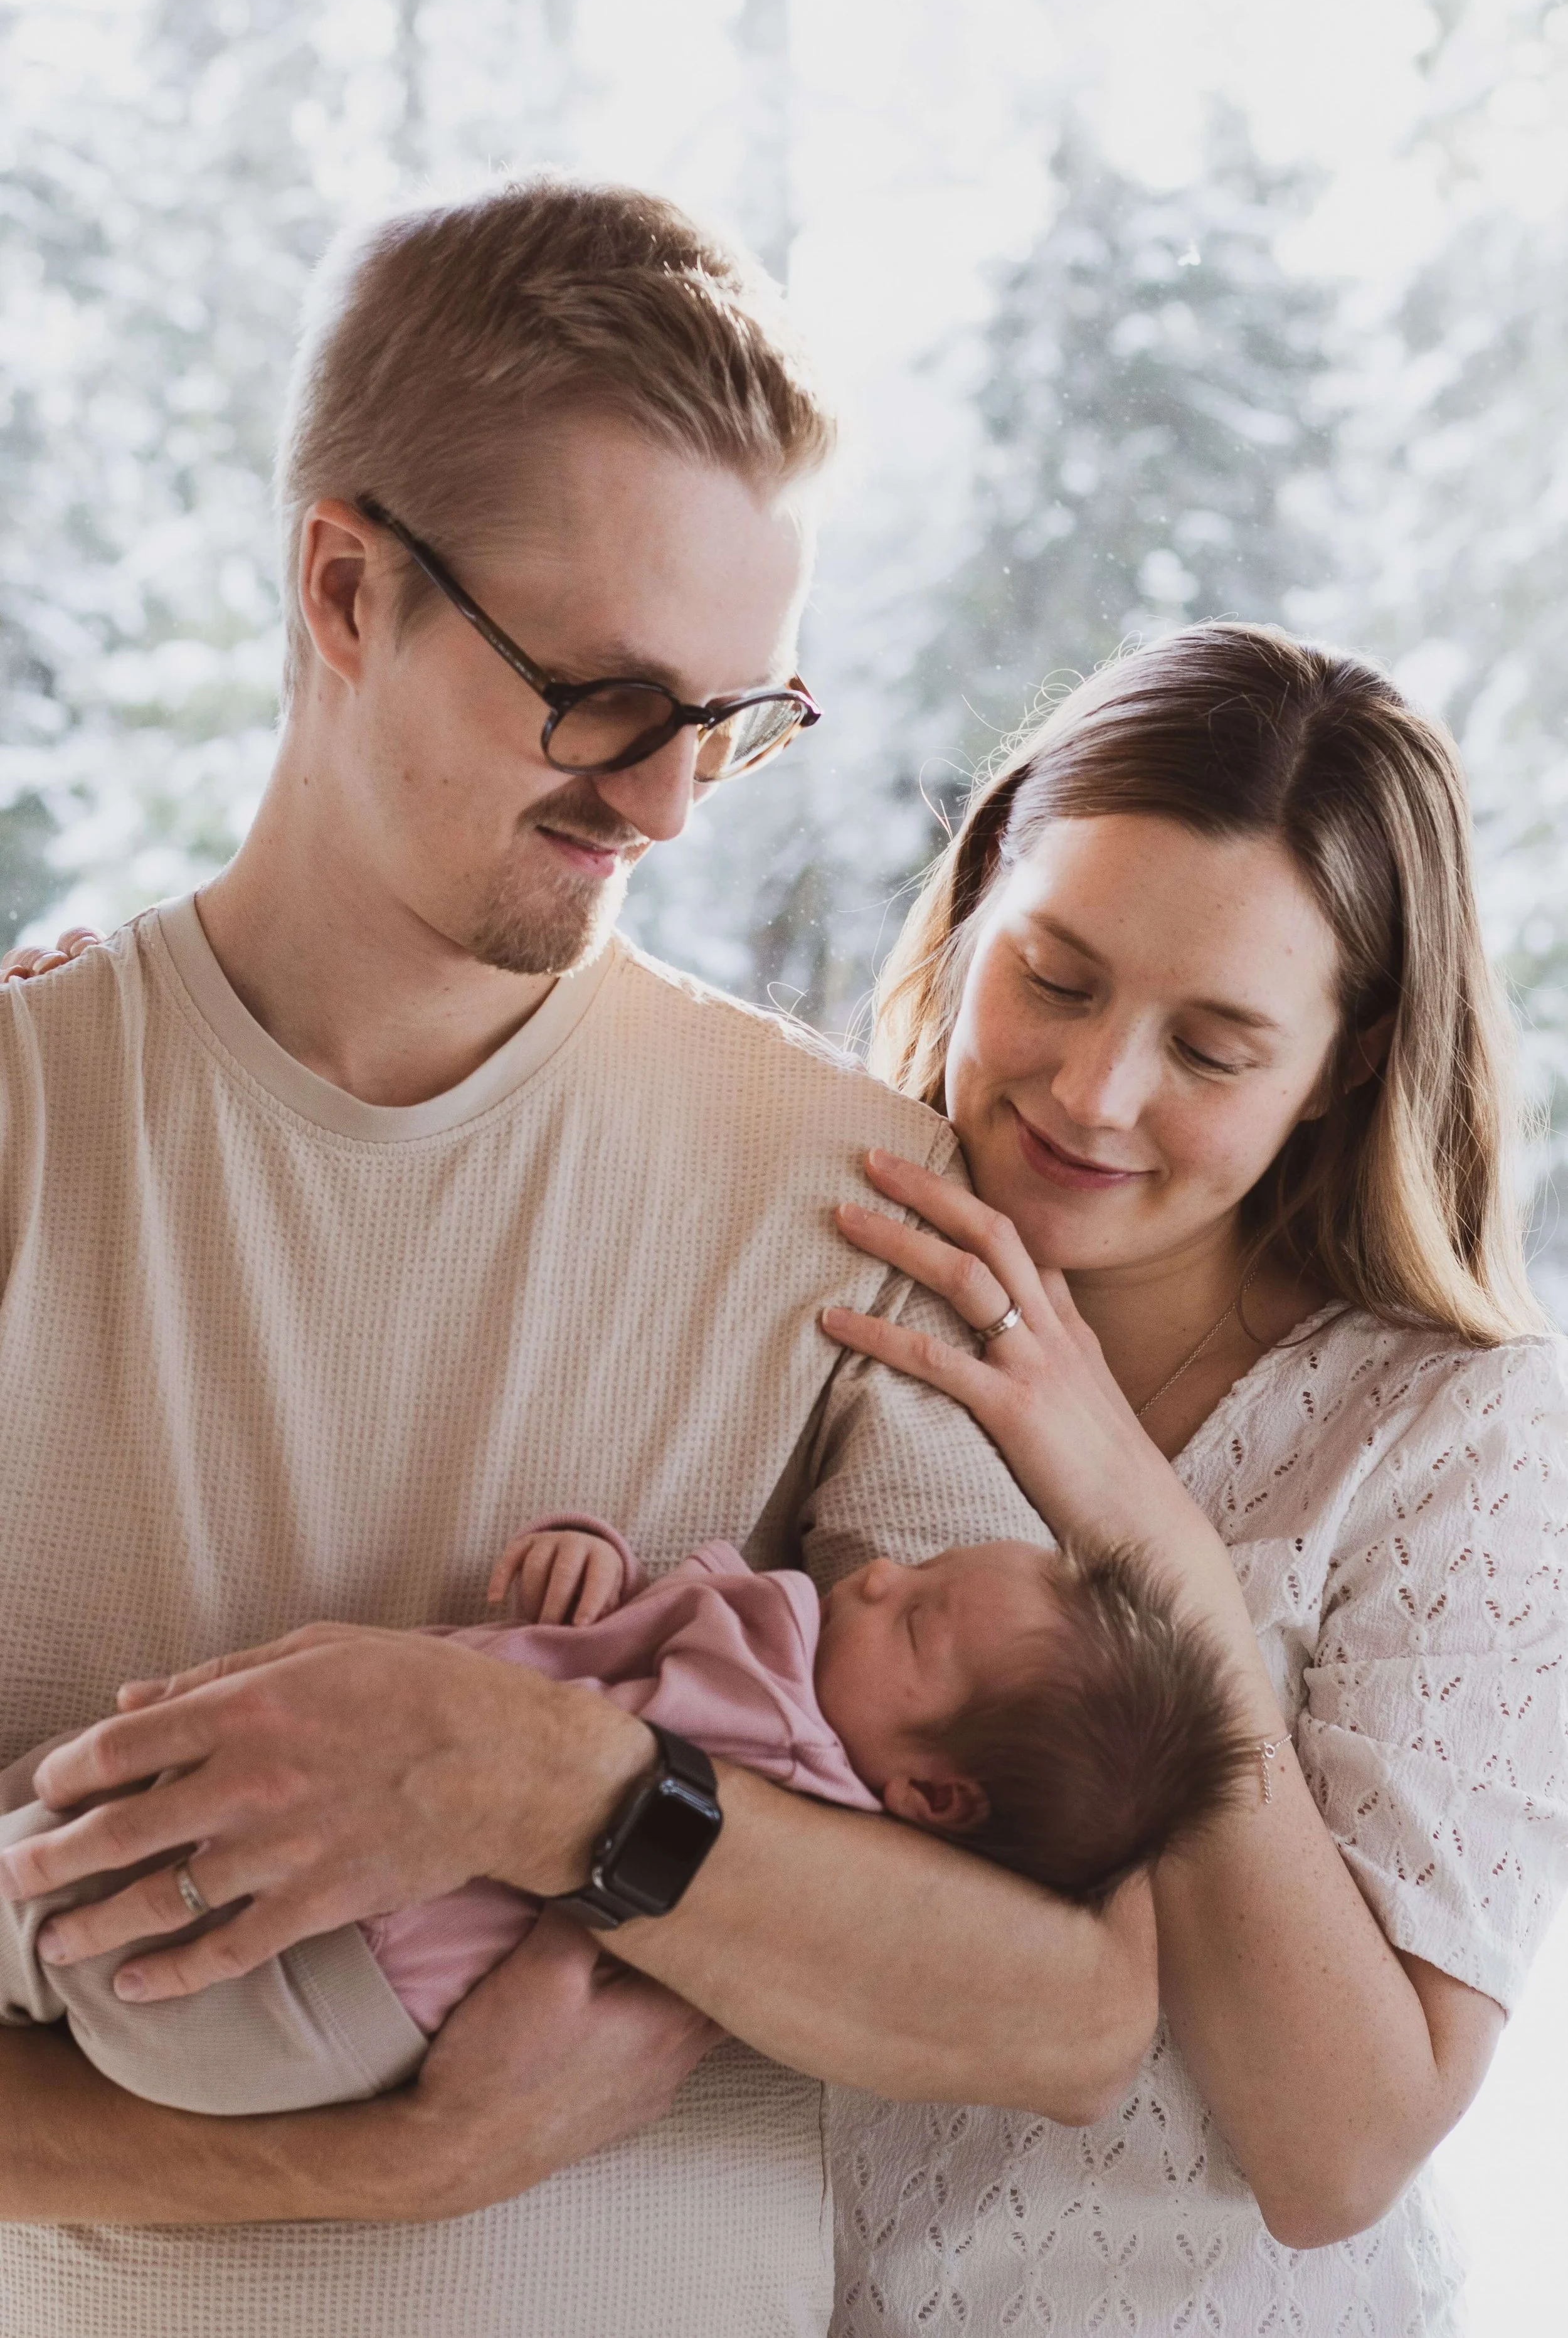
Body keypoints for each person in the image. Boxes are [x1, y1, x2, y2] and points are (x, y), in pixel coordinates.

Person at [0, 174, 1160, 2338]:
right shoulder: (25, 1136)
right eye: (603, 698)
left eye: (734, 716)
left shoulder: (861, 1191)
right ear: (344, 587)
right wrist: (399, 2165)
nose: (669, 807)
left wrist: (538, 1775)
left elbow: (1059, 2015)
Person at [814, 624, 1568, 2334]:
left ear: (1348, 1060)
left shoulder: (1461, 1436)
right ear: (982, 888)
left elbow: (1337, 2154)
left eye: (1214, 1047)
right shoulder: (835, 1262)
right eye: (1053, 976)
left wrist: (1147, 1539)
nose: (1092, 1092)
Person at [0, 1519, 1247, 2115]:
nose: (875, 1573)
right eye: (918, 1570)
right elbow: (612, 1650)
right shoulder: (805, 1806)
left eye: (915, 1617)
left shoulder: (784, 1747)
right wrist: (594, 1562)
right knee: (67, 1821)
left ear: (933, 1796)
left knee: (67, 1875)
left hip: (318, 1969)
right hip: (322, 2010)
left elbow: (661, 1664)